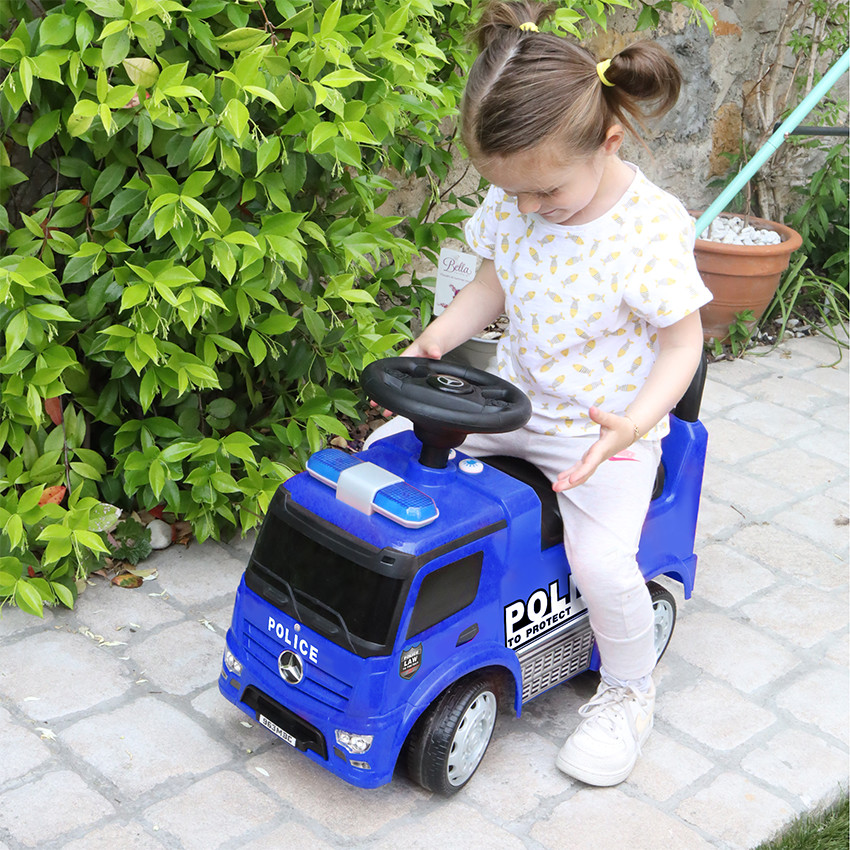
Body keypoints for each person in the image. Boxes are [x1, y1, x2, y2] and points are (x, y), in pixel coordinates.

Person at [367, 0, 712, 787]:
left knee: (600, 561)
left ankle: (627, 691)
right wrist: (437, 338)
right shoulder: (518, 196)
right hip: (510, 404)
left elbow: (682, 342)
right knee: (381, 458)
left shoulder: (650, 230)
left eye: (544, 193)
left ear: (610, 142)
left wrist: (633, 423)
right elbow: (491, 283)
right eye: (508, 193)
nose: (526, 209)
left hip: (600, 433)